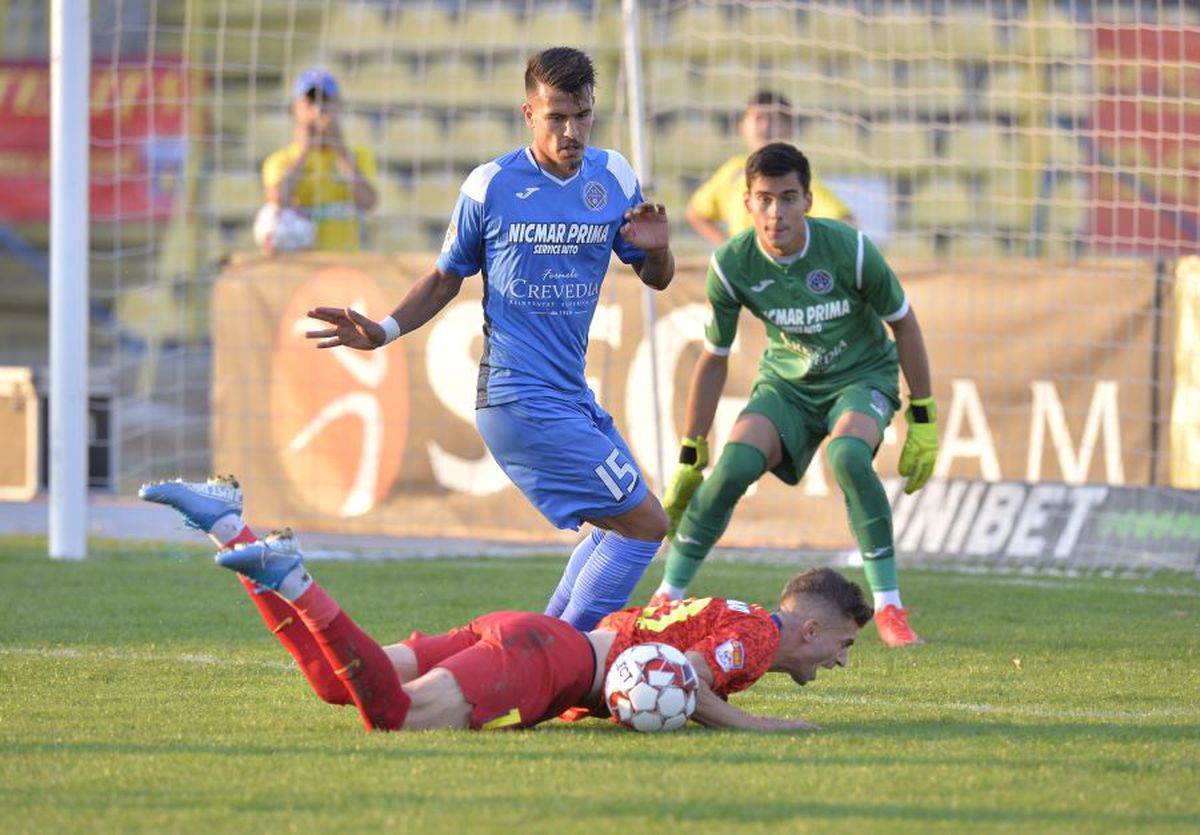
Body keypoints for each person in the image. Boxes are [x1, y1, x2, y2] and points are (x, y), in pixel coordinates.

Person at [304, 48, 676, 631]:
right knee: (648, 525)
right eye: (556, 117)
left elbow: (656, 277)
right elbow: (446, 276)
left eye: (581, 115)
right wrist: (382, 330)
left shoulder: (615, 176)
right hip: (518, 398)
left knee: (621, 524)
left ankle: (545, 646)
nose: (571, 130)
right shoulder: (491, 185)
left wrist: (658, 248)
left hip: (569, 396)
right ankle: (568, 660)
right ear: (529, 113)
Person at [139, 474, 872, 732]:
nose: (839, 660)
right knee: (390, 715)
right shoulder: (760, 637)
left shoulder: (737, 612)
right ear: (812, 625)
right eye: (842, 644)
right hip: (544, 661)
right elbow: (682, 670)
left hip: (531, 636)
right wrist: (756, 721)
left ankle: (232, 525)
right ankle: (294, 578)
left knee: (337, 684)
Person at [651, 142, 939, 648]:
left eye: (788, 198)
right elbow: (714, 357)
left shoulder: (849, 249)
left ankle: (890, 607)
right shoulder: (732, 264)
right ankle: (665, 597)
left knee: (848, 455)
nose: (775, 212)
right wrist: (691, 453)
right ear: (746, 203)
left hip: (861, 377)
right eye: (764, 199)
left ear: (808, 199)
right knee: (733, 468)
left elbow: (905, 325)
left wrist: (924, 415)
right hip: (786, 386)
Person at [686, 90, 855, 247]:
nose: (765, 127)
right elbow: (696, 213)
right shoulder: (733, 171)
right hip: (745, 272)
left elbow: (844, 222)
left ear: (790, 127)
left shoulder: (796, 173)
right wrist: (730, 248)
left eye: (774, 119)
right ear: (743, 125)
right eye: (759, 118)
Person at [260, 67, 379, 251]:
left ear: (338, 106)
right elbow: (277, 200)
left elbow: (368, 201)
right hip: (300, 266)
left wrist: (339, 148)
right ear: (296, 109)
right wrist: (303, 151)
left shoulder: (357, 155)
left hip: (345, 265)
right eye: (310, 103)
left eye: (325, 102)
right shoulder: (280, 160)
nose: (318, 111)